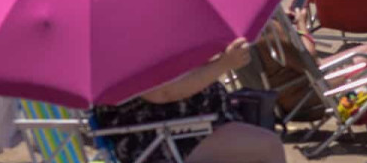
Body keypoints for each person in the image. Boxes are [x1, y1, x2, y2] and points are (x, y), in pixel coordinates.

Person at [92, 36, 288, 163]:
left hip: (178, 128)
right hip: (159, 139)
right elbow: (164, 93)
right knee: (268, 146)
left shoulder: (123, 34)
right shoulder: (123, 42)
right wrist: (224, 64)